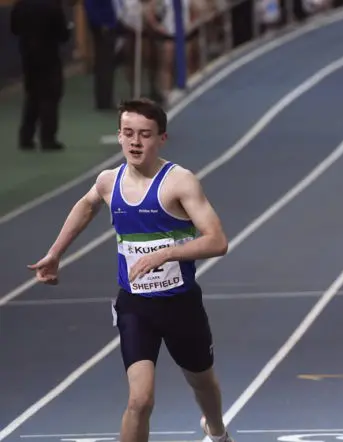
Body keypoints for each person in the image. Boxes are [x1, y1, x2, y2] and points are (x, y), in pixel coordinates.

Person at [27, 98, 235, 442]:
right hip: (136, 305)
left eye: (145, 134)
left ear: (161, 139)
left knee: (202, 381)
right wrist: (55, 253)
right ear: (119, 136)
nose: (135, 142)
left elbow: (218, 241)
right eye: (128, 133)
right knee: (140, 400)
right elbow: (86, 205)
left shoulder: (179, 182)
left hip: (181, 304)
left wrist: (167, 253)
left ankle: (216, 431)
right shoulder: (109, 181)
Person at [10, 0, 72, 151]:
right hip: (49, 55)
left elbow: (14, 29)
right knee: (50, 96)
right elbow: (62, 34)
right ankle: (47, 138)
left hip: (28, 55)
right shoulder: (53, 6)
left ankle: (26, 137)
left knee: (32, 95)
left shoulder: (21, 4)